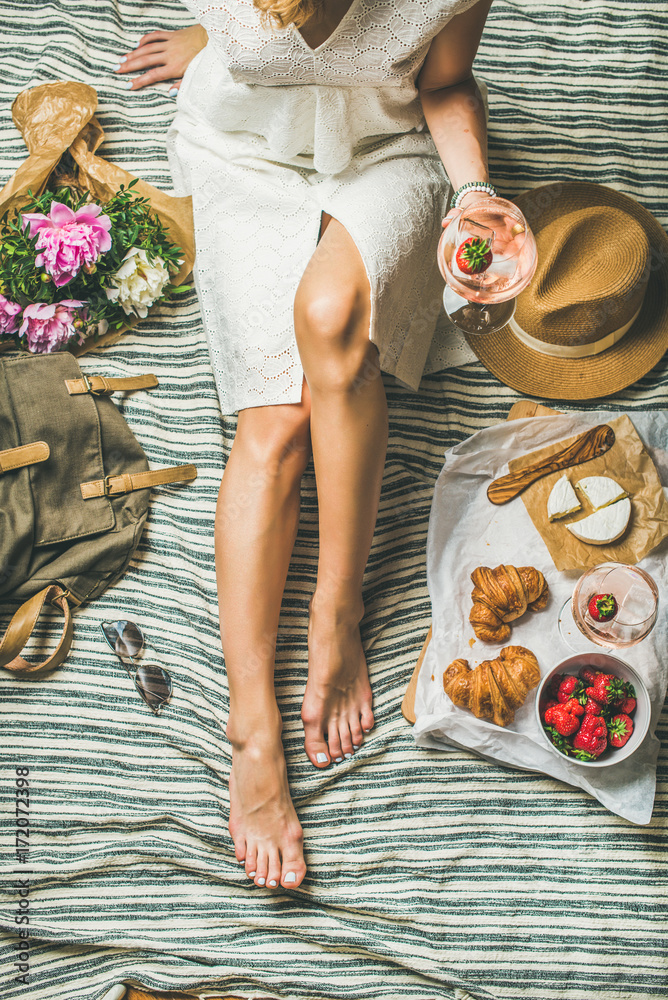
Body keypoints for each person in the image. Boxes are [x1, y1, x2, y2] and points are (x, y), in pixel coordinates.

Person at [114, 0, 494, 892]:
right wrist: (217, 39)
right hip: (242, 153)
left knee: (332, 324)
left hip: (384, 152)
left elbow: (443, 84)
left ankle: (338, 614)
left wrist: (474, 191)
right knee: (273, 422)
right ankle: (252, 728)